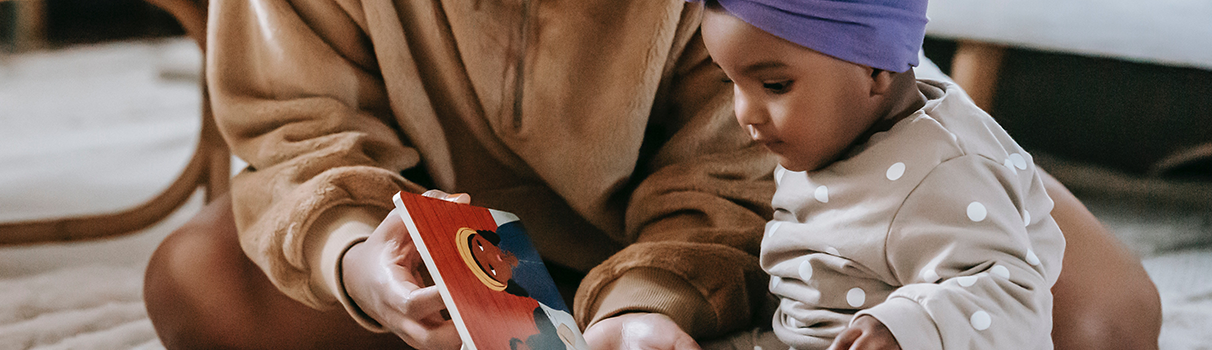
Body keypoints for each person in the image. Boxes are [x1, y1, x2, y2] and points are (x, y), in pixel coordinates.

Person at [142, 1, 1161, 349]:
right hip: (452, 219)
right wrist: (360, 254)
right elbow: (294, 129)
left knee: (1095, 314)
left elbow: (740, 157)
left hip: (762, 194)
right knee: (204, 281)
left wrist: (652, 300)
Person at [697, 0, 1064, 348]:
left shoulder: (940, 173)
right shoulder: (831, 138)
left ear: (876, 67)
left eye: (775, 85)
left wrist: (907, 328)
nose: (744, 113)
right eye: (730, 82)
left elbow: (1016, 298)